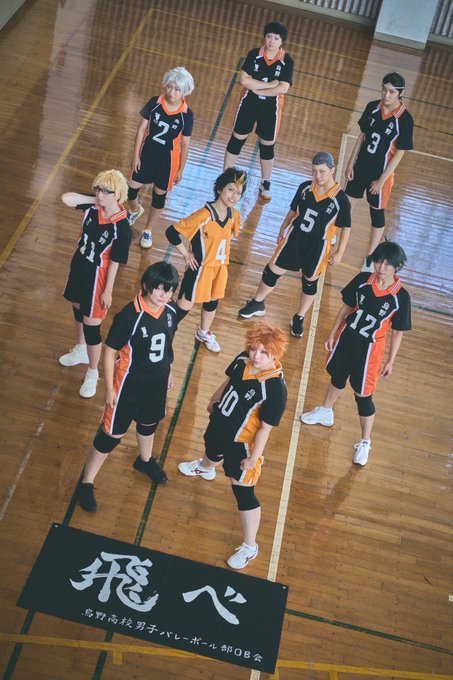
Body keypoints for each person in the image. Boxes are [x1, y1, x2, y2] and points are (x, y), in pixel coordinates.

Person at [178, 322, 288, 569]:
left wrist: (253, 458)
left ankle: (250, 546)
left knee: (243, 493)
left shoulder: (275, 389)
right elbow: (229, 382)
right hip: (221, 424)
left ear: (275, 353)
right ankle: (206, 468)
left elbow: (265, 429)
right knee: (211, 448)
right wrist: (214, 399)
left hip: (242, 445)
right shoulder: (242, 360)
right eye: (253, 348)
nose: (256, 356)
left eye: (264, 352)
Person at [77, 262, 180, 512]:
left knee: (148, 424)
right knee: (110, 436)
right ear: (146, 285)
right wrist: (109, 390)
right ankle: (86, 482)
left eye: (169, 290)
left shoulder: (170, 311)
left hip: (156, 383)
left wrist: (168, 370)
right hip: (127, 386)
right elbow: (110, 351)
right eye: (160, 289)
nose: (164, 295)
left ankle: (145, 461)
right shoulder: (129, 316)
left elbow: (167, 343)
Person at [300, 241, 411, 466]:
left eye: (387, 264)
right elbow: (346, 308)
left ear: (397, 266)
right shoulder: (362, 280)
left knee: (363, 396)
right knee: (338, 376)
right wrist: (332, 334)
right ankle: (326, 411)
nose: (381, 267)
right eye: (378, 261)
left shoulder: (401, 297)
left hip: (370, 350)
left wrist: (391, 361)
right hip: (346, 339)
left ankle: (365, 441)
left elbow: (397, 332)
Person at [238, 152, 351, 338]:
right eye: (314, 171)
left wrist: (339, 252)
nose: (317, 176)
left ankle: (299, 317)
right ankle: (258, 302)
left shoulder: (340, 199)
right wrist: (283, 227)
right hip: (295, 237)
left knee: (309, 281)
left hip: (318, 246)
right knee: (272, 269)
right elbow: (293, 210)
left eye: (322, 171)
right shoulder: (305, 187)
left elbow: (346, 227)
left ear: (332, 170)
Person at [59, 169, 132, 399]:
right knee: (77, 309)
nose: (100, 194)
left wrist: (108, 290)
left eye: (106, 191)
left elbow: (116, 262)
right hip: (79, 266)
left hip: (97, 277)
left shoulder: (121, 227)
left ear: (118, 194)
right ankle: (81, 349)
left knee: (92, 326)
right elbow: (66, 198)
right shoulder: (93, 207)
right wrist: (96, 199)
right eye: (98, 189)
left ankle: (93, 372)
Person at [165, 167, 247, 352]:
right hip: (200, 269)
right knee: (183, 307)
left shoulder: (235, 216)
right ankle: (163, 331)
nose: (234, 196)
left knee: (212, 301)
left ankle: (203, 332)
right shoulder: (203, 215)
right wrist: (186, 254)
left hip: (220, 268)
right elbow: (171, 232)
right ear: (219, 189)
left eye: (238, 193)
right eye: (230, 190)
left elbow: (225, 237)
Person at [344, 72, 414, 271]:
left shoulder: (405, 119)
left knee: (376, 215)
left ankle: (370, 256)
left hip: (380, 175)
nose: (386, 95)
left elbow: (399, 153)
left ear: (401, 93)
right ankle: (332, 237)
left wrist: (382, 180)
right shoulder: (372, 107)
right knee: (344, 206)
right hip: (360, 168)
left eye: (392, 91)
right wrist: (350, 163)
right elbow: (362, 136)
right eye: (384, 89)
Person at [224, 21, 294, 202]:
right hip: (248, 103)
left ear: (282, 41)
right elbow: (244, 80)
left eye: (276, 38)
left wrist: (258, 88)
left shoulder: (287, 61)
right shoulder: (254, 54)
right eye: (269, 36)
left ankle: (266, 182)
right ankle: (226, 176)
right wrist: (270, 85)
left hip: (271, 109)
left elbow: (283, 88)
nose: (271, 41)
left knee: (267, 145)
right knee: (237, 138)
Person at [127, 66, 195, 248]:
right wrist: (135, 156)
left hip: (168, 162)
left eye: (177, 89)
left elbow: (185, 144)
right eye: (170, 87)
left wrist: (181, 169)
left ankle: (148, 230)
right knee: (130, 190)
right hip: (146, 155)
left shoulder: (187, 115)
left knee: (159, 196)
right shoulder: (154, 102)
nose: (172, 92)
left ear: (185, 91)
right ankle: (135, 209)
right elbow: (141, 129)